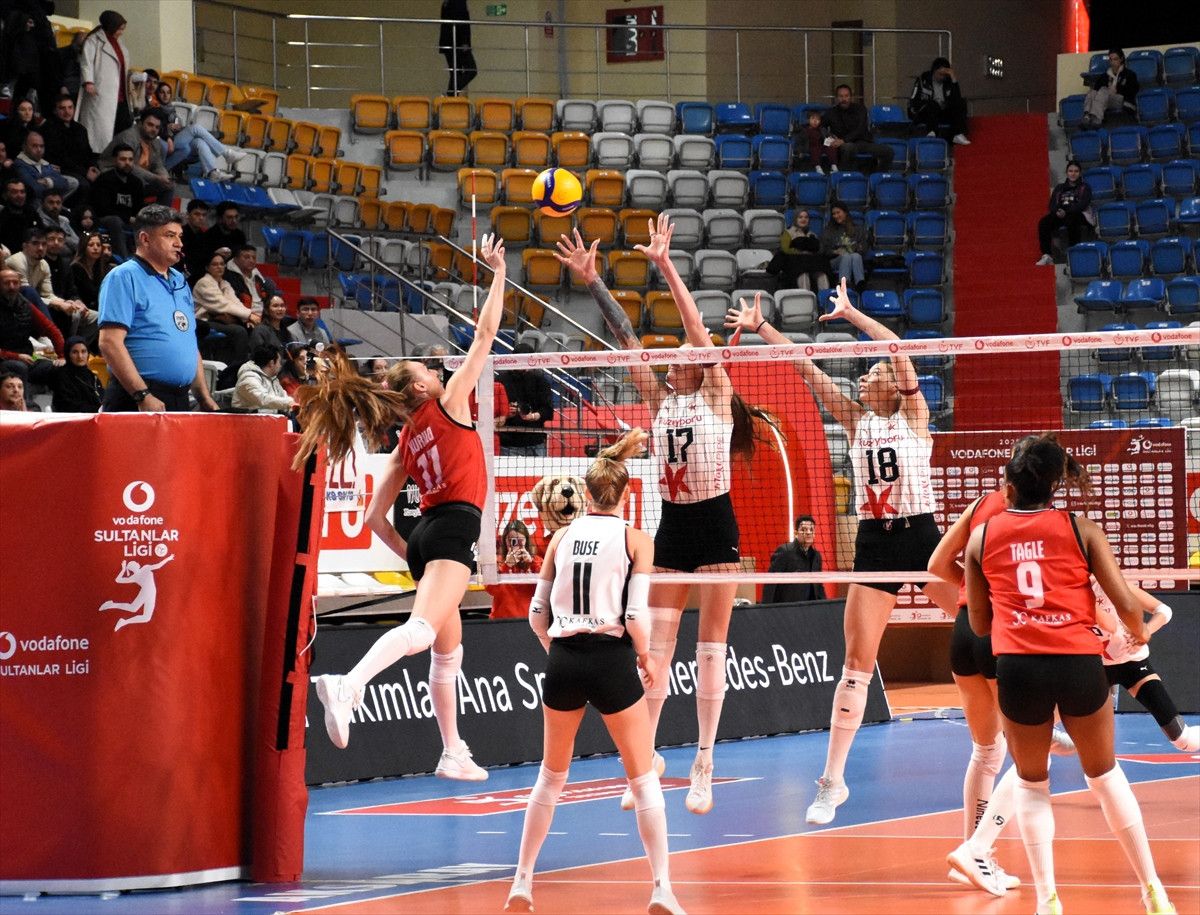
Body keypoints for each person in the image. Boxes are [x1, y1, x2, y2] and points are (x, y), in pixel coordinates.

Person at [558, 216, 779, 816]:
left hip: (715, 522)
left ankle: (704, 762)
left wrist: (665, 266)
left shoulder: (715, 395)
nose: (674, 360)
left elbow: (696, 331)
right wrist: (593, 281)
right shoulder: (660, 400)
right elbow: (626, 335)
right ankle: (646, 763)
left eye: (683, 356)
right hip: (673, 525)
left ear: (700, 366)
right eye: (675, 358)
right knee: (655, 652)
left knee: (711, 649)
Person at [726, 281, 958, 826]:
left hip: (922, 537)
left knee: (982, 624)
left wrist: (853, 315)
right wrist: (762, 328)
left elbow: (895, 349)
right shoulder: (857, 422)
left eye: (874, 374)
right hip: (876, 541)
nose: (866, 377)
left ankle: (1039, 722)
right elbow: (807, 370)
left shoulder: (912, 415)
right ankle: (832, 781)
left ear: (893, 386)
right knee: (856, 663)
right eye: (866, 374)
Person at [301, 234, 508, 780]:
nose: (437, 372)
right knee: (420, 633)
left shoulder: (405, 439)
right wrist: (498, 273)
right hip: (453, 526)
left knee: (447, 651)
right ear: (420, 385)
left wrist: (416, 556)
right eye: (428, 370)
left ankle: (452, 751)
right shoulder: (449, 403)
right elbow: (486, 334)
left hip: (427, 537)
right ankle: (348, 684)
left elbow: (373, 519)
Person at [963, 434, 1176, 915]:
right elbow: (1126, 605)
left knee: (1031, 784)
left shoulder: (982, 537)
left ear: (1008, 486)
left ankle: (1048, 900)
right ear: (1055, 485)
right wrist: (1139, 632)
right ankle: (1153, 891)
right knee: (1105, 775)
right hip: (1078, 663)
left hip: (1018, 668)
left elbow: (978, 624)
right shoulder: (1082, 530)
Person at [506, 428, 683, 915]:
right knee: (642, 779)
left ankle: (522, 882)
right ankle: (662, 889)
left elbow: (537, 613)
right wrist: (646, 657)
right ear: (626, 493)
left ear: (586, 494)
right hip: (611, 661)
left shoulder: (561, 537)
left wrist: (556, 648)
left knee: (550, 777)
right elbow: (635, 614)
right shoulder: (635, 539)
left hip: (564, 659)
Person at [929, 472, 1077, 898]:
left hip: (964, 629)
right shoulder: (1042, 517)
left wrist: (974, 589)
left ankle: (974, 861)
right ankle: (977, 848)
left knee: (986, 751)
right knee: (1032, 750)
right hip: (1003, 635)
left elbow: (936, 565)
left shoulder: (981, 504)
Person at [97, 204, 219, 412]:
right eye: (170, 235)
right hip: (137, 397)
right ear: (145, 239)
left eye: (180, 236)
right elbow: (109, 343)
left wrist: (204, 397)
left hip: (180, 398)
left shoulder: (179, 280)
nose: (179, 243)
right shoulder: (123, 276)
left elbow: (188, 343)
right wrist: (141, 394)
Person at [1094, 583, 1198, 753]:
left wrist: (1145, 631)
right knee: (1057, 731)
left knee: (1183, 739)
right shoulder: (1069, 592)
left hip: (1133, 664)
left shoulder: (1113, 584)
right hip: (1093, 668)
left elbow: (1164, 610)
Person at [6, 227, 97, 341]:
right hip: (14, 304)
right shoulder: (17, 261)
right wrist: (58, 304)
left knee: (91, 316)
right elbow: (26, 296)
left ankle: (74, 346)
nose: (40, 248)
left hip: (34, 302)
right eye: (35, 243)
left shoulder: (44, 264)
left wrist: (65, 302)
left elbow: (48, 294)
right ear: (25, 246)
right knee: (33, 293)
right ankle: (57, 341)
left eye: (43, 244)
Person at [151, 80, 245, 182]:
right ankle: (227, 153)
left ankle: (213, 172)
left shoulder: (171, 109)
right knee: (196, 128)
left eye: (168, 92)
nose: (165, 95)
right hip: (164, 142)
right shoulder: (155, 108)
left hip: (176, 141)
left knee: (199, 142)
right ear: (157, 93)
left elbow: (176, 127)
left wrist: (179, 127)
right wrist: (166, 128)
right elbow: (152, 128)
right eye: (162, 92)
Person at [193, 250, 257, 383]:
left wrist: (247, 318)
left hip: (220, 319)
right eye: (215, 264)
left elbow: (235, 302)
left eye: (222, 264)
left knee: (249, 327)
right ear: (207, 267)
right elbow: (223, 304)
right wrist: (249, 315)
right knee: (239, 331)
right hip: (203, 322)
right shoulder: (204, 282)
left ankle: (251, 368)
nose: (219, 267)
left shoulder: (224, 283)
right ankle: (237, 371)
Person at [77, 10, 133, 154]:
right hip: (101, 93)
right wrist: (88, 81)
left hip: (120, 95)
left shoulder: (119, 43)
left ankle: (118, 157)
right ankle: (97, 157)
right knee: (99, 132)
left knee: (122, 128)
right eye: (120, 29)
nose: (121, 32)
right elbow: (86, 63)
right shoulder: (93, 40)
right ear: (111, 26)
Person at [0, 266, 63, 392]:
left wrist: (62, 356)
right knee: (19, 367)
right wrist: (16, 356)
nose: (12, 287)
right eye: (7, 283)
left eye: (15, 283)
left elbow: (51, 330)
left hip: (27, 358)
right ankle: (25, 402)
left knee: (57, 368)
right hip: (4, 360)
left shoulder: (25, 305)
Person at [41, 95, 100, 209]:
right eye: (62, 108)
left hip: (82, 169)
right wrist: (85, 173)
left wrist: (93, 167)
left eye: (70, 107)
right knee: (84, 185)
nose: (67, 112)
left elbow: (88, 152)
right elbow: (61, 158)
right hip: (62, 169)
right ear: (55, 110)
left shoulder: (80, 129)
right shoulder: (49, 129)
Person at [821, 84, 895, 173]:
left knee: (888, 151)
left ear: (851, 97)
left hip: (862, 142)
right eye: (841, 96)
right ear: (836, 98)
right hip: (842, 145)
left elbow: (860, 129)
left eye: (846, 96)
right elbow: (822, 127)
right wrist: (830, 139)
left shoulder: (861, 109)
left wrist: (844, 140)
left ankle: (878, 176)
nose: (844, 99)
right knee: (848, 147)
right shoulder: (831, 112)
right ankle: (844, 176)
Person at [497, 341, 554, 456]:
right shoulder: (500, 380)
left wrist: (533, 416)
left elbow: (548, 411)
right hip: (509, 443)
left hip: (535, 441)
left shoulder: (540, 380)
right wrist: (506, 413)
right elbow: (491, 411)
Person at [89, 143, 144, 258]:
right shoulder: (104, 179)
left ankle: (144, 258)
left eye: (130, 159)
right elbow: (103, 209)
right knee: (115, 220)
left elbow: (139, 208)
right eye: (123, 159)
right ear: (115, 160)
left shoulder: (137, 182)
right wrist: (128, 218)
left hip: (129, 221)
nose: (127, 163)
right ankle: (124, 259)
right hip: (105, 218)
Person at [101, 110, 172, 199]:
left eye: (157, 127)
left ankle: (158, 208)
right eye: (150, 125)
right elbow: (128, 166)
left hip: (138, 177)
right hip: (115, 172)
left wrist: (165, 177)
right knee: (138, 184)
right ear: (141, 123)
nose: (154, 129)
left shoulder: (154, 141)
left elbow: (157, 164)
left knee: (168, 186)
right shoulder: (129, 138)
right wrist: (156, 178)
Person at [1036, 160, 1092, 267]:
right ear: (1066, 173)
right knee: (1044, 222)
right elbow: (1052, 204)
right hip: (1061, 214)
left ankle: (1074, 253)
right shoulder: (1059, 187)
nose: (1073, 174)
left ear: (1080, 173)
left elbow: (1082, 204)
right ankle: (1047, 255)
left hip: (1078, 214)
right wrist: (1057, 211)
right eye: (1070, 171)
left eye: (1076, 171)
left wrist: (1066, 211)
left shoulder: (1085, 187)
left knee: (1073, 220)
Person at [762, 515, 826, 604]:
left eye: (811, 530)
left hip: (810, 607)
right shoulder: (784, 552)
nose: (808, 532)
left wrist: (824, 605)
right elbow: (770, 583)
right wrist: (766, 607)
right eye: (804, 530)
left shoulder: (816, 556)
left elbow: (818, 586)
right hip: (788, 607)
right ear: (796, 533)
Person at [488, 519, 544, 621]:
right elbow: (491, 590)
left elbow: (546, 586)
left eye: (520, 541)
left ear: (526, 540)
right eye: (511, 540)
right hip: (502, 620)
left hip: (530, 619)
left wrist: (532, 563)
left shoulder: (537, 561)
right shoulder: (497, 561)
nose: (515, 544)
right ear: (505, 541)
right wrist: (506, 566)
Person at [908, 57, 971, 146]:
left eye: (945, 75)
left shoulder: (948, 82)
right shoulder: (923, 80)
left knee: (960, 103)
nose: (942, 77)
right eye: (940, 74)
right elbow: (914, 100)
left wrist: (953, 78)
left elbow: (956, 98)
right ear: (934, 71)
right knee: (933, 104)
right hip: (925, 111)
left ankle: (957, 133)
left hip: (941, 112)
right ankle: (932, 131)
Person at [768, 208, 829, 292]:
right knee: (803, 274)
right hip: (793, 265)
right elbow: (785, 249)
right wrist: (801, 252)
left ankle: (825, 297)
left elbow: (818, 250)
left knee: (822, 274)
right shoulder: (787, 233)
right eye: (800, 217)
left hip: (810, 264)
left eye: (806, 217)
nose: (803, 219)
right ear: (795, 219)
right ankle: (806, 297)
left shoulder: (812, 235)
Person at [1082, 48, 1139, 130]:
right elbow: (1096, 90)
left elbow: (1132, 91)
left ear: (1121, 59)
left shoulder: (1129, 75)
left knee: (1103, 90)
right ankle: (1087, 115)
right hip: (1105, 100)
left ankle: (1096, 119)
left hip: (1122, 99)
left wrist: (1116, 90)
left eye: (1115, 59)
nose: (1112, 62)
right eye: (1111, 60)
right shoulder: (1104, 76)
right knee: (1092, 92)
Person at [14, 132, 79, 202]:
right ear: (24, 147)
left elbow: (64, 183)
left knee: (73, 182)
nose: (39, 150)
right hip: (34, 203)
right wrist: (53, 183)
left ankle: (54, 203)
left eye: (41, 146)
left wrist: (47, 181)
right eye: (34, 146)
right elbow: (34, 190)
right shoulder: (20, 164)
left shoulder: (44, 163)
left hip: (47, 200)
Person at [232, 344, 295, 414]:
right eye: (279, 362)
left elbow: (284, 398)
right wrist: (288, 403)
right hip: (247, 419)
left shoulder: (273, 379)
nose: (280, 365)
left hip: (269, 419)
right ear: (271, 363)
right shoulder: (248, 377)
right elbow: (262, 399)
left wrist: (293, 406)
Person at [46, 335, 103, 412]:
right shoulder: (61, 375)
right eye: (75, 352)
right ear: (68, 354)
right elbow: (67, 405)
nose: (80, 356)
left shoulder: (91, 376)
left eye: (83, 351)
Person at [821, 203, 867, 290]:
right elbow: (824, 250)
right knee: (846, 256)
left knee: (856, 256)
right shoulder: (829, 230)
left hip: (853, 258)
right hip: (835, 260)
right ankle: (844, 285)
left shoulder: (857, 229)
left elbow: (863, 247)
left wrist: (855, 248)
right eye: (833, 214)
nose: (836, 216)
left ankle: (860, 284)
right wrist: (835, 251)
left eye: (838, 212)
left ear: (845, 213)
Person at [225, 244, 279, 316]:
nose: (251, 260)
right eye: (246, 257)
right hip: (245, 315)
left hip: (264, 313)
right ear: (236, 259)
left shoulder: (257, 275)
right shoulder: (228, 277)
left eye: (254, 258)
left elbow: (266, 297)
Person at [439, 0, 477, 96]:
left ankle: (451, 97)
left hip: (449, 41)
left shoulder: (447, 3)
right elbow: (461, 21)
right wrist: (465, 42)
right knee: (471, 70)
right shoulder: (458, 2)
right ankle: (450, 94)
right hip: (458, 42)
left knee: (456, 73)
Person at [70, 230, 112, 309]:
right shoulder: (76, 267)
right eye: (91, 245)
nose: (95, 248)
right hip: (81, 308)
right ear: (83, 247)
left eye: (98, 245)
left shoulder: (100, 267)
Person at [0, 176, 42, 254]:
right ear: (5, 195)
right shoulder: (3, 216)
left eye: (22, 192)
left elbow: (41, 232)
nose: (19, 195)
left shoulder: (31, 212)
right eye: (14, 192)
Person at [37, 190, 79, 256]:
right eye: (51, 202)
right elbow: (57, 249)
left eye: (58, 203)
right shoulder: (38, 220)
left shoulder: (64, 220)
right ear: (42, 204)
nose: (55, 206)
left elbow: (78, 243)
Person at [181, 198, 212, 280]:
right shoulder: (180, 234)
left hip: (200, 277)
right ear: (188, 215)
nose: (201, 218)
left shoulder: (206, 236)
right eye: (197, 214)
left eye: (204, 215)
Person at [802, 109, 834, 174]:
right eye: (813, 118)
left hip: (822, 146)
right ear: (808, 120)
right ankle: (818, 167)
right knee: (814, 149)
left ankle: (834, 166)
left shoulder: (822, 129)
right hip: (810, 147)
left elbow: (828, 137)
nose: (815, 121)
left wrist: (831, 140)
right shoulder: (804, 129)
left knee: (831, 147)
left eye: (818, 119)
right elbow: (801, 141)